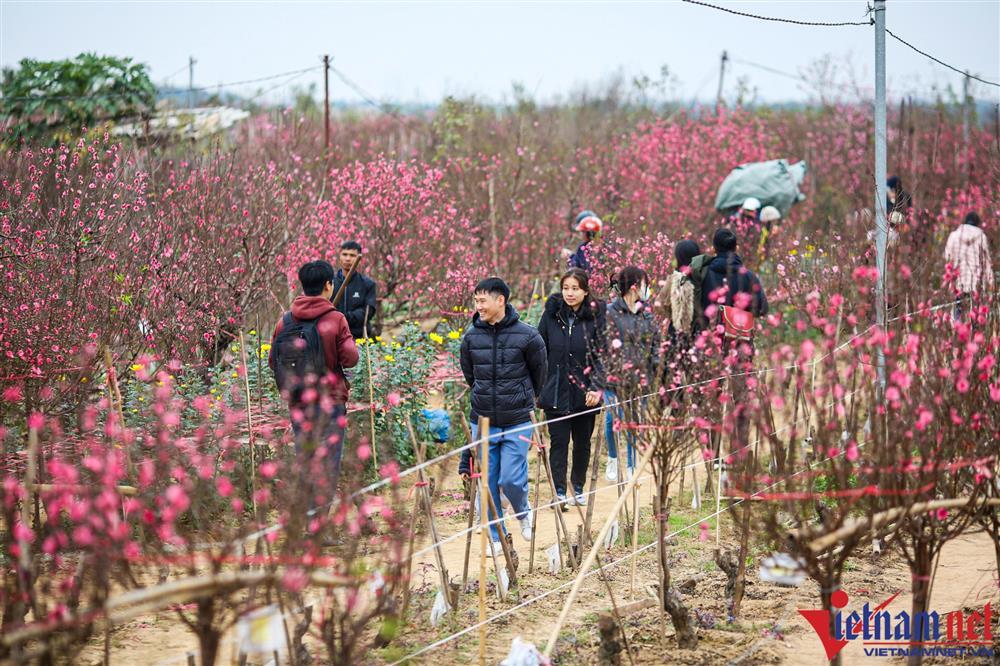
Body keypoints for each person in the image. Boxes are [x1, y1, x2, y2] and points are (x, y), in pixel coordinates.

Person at [459, 277, 547, 552]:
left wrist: (522, 397)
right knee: (488, 482)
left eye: (483, 300)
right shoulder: (471, 337)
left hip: (517, 419)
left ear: (500, 300)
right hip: (483, 420)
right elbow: (470, 375)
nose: (478, 306)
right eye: (476, 301)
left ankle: (522, 510)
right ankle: (497, 538)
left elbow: (540, 374)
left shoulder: (528, 336)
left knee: (510, 479)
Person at [269, 260, 360, 505]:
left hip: (298, 402)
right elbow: (351, 358)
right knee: (328, 465)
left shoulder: (285, 322)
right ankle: (318, 521)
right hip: (330, 402)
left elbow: (273, 362)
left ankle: (306, 516)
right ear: (328, 285)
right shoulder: (335, 319)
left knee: (307, 462)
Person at [536, 268, 606, 508]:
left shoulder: (595, 318)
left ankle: (577, 487)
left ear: (585, 291)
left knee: (582, 443)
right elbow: (539, 350)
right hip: (555, 390)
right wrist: (540, 385)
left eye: (575, 288)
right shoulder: (551, 315)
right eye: (566, 288)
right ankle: (559, 492)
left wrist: (596, 387)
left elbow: (602, 356)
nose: (570, 293)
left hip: (585, 393)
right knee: (558, 442)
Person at [700, 228, 768, 456]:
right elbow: (762, 307)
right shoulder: (748, 276)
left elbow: (699, 307)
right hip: (741, 344)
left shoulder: (706, 273)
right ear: (736, 248)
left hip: (713, 345)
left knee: (713, 399)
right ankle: (739, 454)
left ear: (714, 248)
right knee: (741, 399)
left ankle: (713, 455)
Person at [603, 266, 660, 481]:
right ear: (635, 287)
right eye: (646, 285)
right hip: (613, 378)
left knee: (634, 422)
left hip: (640, 379)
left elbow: (655, 345)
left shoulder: (646, 315)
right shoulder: (609, 312)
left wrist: (654, 368)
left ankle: (631, 464)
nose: (648, 290)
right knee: (612, 419)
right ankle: (613, 458)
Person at [944, 211, 994, 317]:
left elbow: (947, 258)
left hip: (958, 282)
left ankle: (957, 326)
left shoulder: (953, 236)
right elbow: (987, 262)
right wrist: (991, 282)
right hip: (976, 283)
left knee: (958, 310)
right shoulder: (982, 237)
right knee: (975, 313)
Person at [331, 240, 378, 340]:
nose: (348, 259)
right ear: (339, 256)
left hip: (358, 338)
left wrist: (342, 318)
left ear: (359, 258)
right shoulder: (329, 283)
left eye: (352, 255)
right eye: (345, 254)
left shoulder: (367, 284)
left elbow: (367, 312)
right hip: (333, 336)